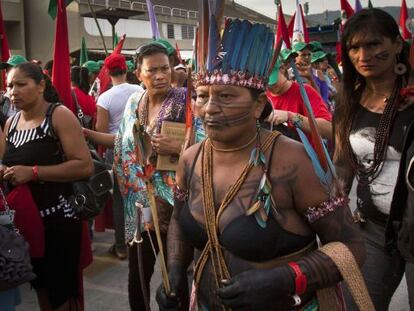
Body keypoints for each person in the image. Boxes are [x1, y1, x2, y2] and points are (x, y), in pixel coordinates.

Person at [156, 15, 366, 311]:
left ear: (258, 106)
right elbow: (179, 220)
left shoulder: (291, 161)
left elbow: (351, 248)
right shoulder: (191, 159)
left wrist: (285, 279)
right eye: (202, 96)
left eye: (227, 96)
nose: (211, 109)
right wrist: (176, 271)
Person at [334, 8, 414, 311]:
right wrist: (333, 208)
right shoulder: (348, 101)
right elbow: (342, 164)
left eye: (373, 44)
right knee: (357, 305)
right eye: (354, 47)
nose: (363, 55)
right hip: (371, 230)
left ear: (396, 44)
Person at [2, 62, 93, 310]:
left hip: (59, 223)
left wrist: (33, 173)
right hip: (26, 225)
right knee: (41, 288)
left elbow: (84, 166)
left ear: (41, 85)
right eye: (10, 85)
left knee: (61, 295)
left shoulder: (59, 115)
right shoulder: (11, 123)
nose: (13, 91)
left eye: (21, 84)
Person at [96, 53, 143, 259]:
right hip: (139, 149)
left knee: (119, 199)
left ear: (107, 72)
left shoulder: (105, 97)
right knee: (139, 195)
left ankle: (121, 246)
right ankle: (139, 239)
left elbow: (102, 130)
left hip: (115, 151)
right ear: (126, 69)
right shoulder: (140, 90)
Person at [266, 50, 332, 141]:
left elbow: (329, 129)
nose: (268, 87)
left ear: (282, 68)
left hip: (307, 153)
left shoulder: (304, 92)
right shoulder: (262, 96)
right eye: (264, 84)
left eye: (271, 82)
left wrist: (291, 117)